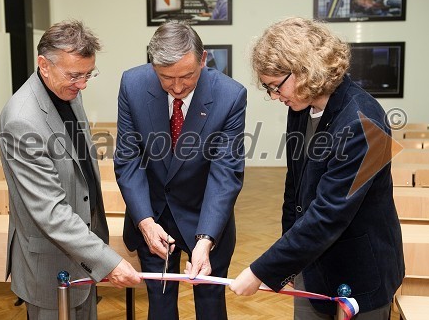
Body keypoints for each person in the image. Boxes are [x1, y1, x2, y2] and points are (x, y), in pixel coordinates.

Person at [230, 17, 405, 319]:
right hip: (311, 262)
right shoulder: (300, 107)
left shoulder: (365, 124)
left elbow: (328, 214)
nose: (274, 97)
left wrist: (263, 270)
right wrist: (289, 262)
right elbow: (295, 189)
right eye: (268, 88)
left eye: (275, 86)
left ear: (304, 70)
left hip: (362, 267)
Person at [0, 20, 141, 319]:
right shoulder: (21, 121)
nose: (83, 84)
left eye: (88, 74)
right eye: (75, 75)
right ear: (44, 65)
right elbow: (50, 212)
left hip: (82, 254)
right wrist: (109, 261)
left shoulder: (68, 92)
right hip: (49, 265)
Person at [114, 21, 247, 320]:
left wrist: (206, 239)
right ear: (153, 65)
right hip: (154, 216)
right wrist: (145, 222)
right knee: (159, 306)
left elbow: (225, 172)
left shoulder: (230, 95)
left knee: (211, 305)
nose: (176, 87)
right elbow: (128, 159)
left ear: (203, 60)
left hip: (206, 214)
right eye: (165, 77)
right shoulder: (133, 85)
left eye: (187, 76)